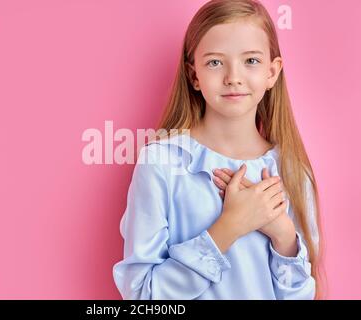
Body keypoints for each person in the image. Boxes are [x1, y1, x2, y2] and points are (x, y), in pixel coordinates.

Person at [113, 0, 324, 300]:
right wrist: (230, 227)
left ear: (272, 72)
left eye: (250, 60)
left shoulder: (292, 172)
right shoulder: (161, 163)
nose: (233, 77)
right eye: (215, 62)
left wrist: (284, 236)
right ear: (194, 75)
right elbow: (142, 297)